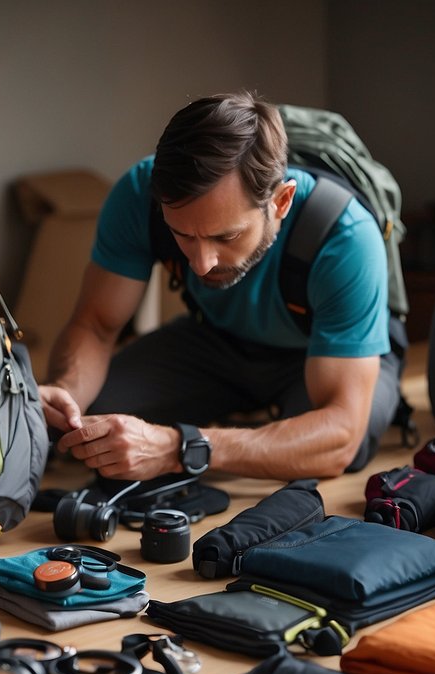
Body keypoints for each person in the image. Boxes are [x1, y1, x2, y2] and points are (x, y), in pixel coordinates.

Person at [38, 91, 405, 482]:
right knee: (98, 422)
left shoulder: (346, 236)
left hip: (326, 353)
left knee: (327, 448)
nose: (201, 263)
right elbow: (95, 324)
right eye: (182, 235)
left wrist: (179, 447)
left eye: (225, 238)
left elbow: (339, 435)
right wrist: (68, 396)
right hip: (218, 340)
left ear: (281, 202)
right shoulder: (138, 196)